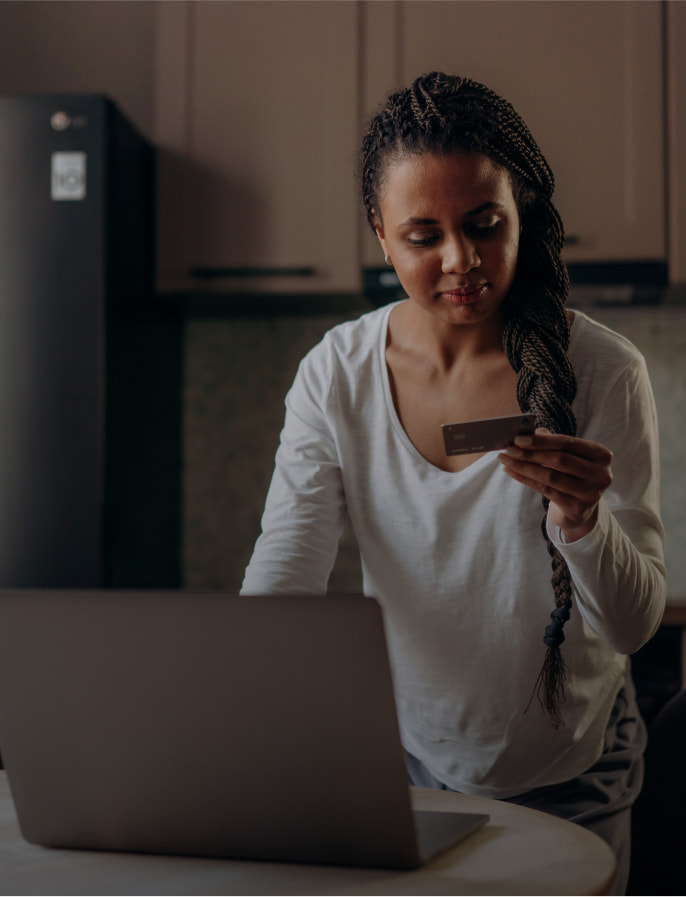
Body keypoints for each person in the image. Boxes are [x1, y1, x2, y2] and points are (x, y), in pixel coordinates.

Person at [242, 72, 666, 893]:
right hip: (404, 768)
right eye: (422, 235)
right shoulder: (337, 374)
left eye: (484, 225)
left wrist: (583, 520)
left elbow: (634, 624)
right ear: (379, 233)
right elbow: (285, 571)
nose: (460, 261)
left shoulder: (606, 371)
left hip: (575, 775)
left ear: (522, 214)